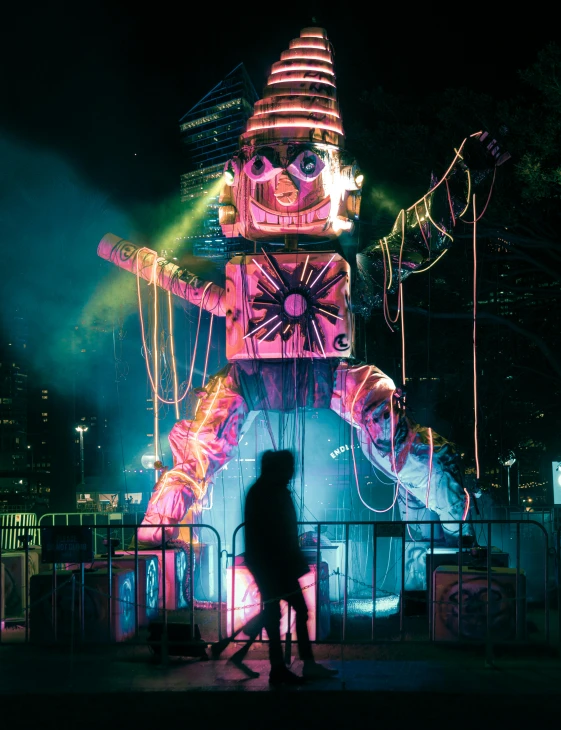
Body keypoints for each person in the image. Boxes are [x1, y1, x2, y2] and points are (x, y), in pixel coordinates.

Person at [242, 449, 338, 685]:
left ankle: (288, 665)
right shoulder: (270, 493)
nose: (292, 472)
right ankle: (288, 667)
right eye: (288, 467)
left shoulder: (264, 491)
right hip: (274, 564)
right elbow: (277, 533)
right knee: (282, 613)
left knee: (278, 612)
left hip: (272, 563)